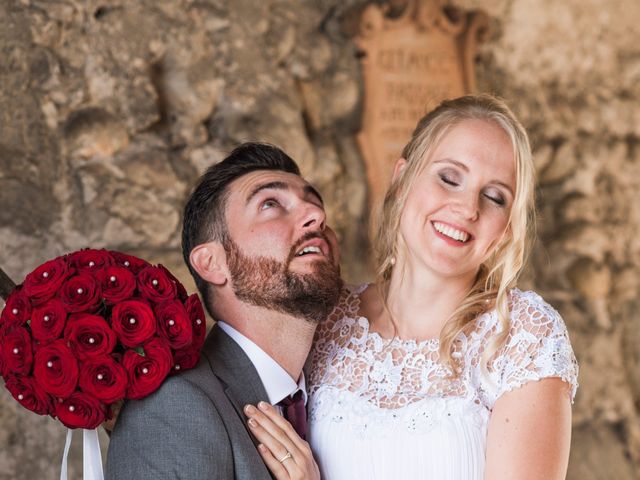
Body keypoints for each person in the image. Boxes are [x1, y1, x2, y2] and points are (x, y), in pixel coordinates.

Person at [245, 94, 579, 480]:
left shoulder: (524, 337)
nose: (469, 207)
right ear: (402, 178)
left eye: (494, 197)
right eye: (449, 178)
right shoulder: (326, 322)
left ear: (506, 229)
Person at [105, 142, 342, 479]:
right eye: (271, 203)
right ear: (213, 263)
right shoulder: (174, 408)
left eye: (314, 204)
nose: (316, 215)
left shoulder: (336, 400)